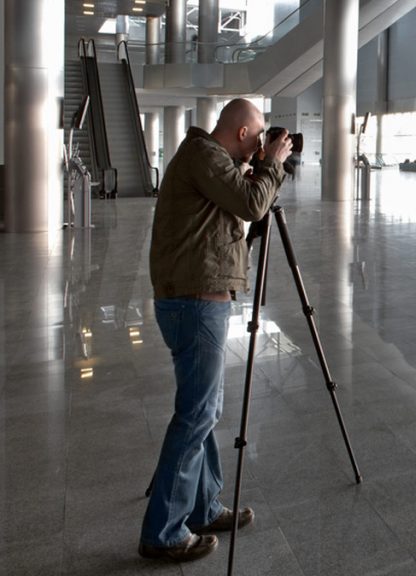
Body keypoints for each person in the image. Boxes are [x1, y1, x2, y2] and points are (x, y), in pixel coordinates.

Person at [140, 99, 292, 562]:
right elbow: (250, 203)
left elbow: (239, 211)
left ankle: (202, 506)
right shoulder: (204, 155)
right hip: (195, 300)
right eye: (260, 135)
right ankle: (163, 532)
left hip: (195, 297)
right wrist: (273, 166)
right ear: (244, 132)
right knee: (197, 414)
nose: (264, 143)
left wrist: (262, 169)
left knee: (202, 409)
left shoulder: (208, 159)